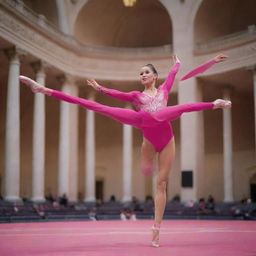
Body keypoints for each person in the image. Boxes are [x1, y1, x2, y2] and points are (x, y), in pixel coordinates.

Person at [19, 54, 231, 247]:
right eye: (140, 74)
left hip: (167, 139)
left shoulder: (165, 89)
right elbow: (118, 95)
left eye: (146, 72)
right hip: (146, 127)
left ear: (155, 76)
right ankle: (44, 90)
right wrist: (101, 89)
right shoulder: (136, 96)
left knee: (162, 182)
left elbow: (173, 75)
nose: (143, 75)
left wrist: (177, 63)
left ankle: (156, 228)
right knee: (99, 108)